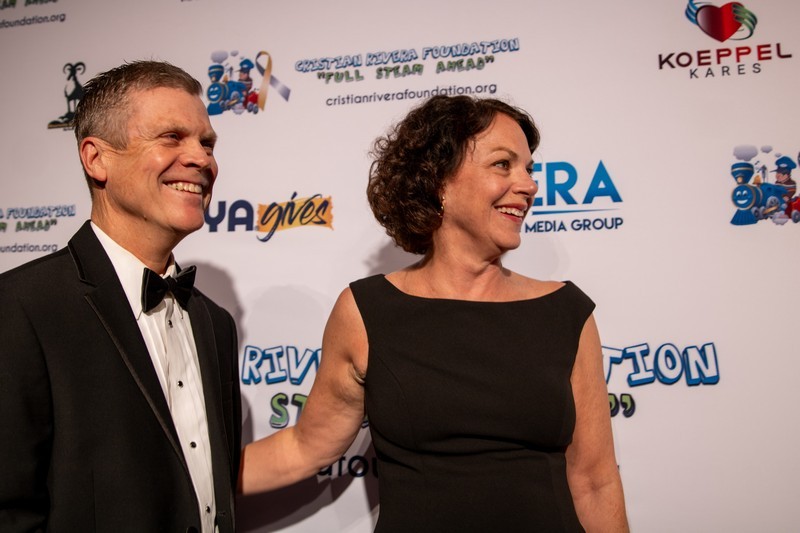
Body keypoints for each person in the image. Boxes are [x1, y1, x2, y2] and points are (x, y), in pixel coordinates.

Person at [239, 95, 628, 532]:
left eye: (529, 169)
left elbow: (595, 482)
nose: (529, 185)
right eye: (503, 165)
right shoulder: (367, 312)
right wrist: (191, 478)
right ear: (439, 180)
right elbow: (304, 447)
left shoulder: (566, 314)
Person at [0, 61, 241, 532]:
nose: (201, 159)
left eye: (207, 143)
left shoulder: (214, 323)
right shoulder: (21, 308)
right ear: (96, 159)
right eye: (171, 137)